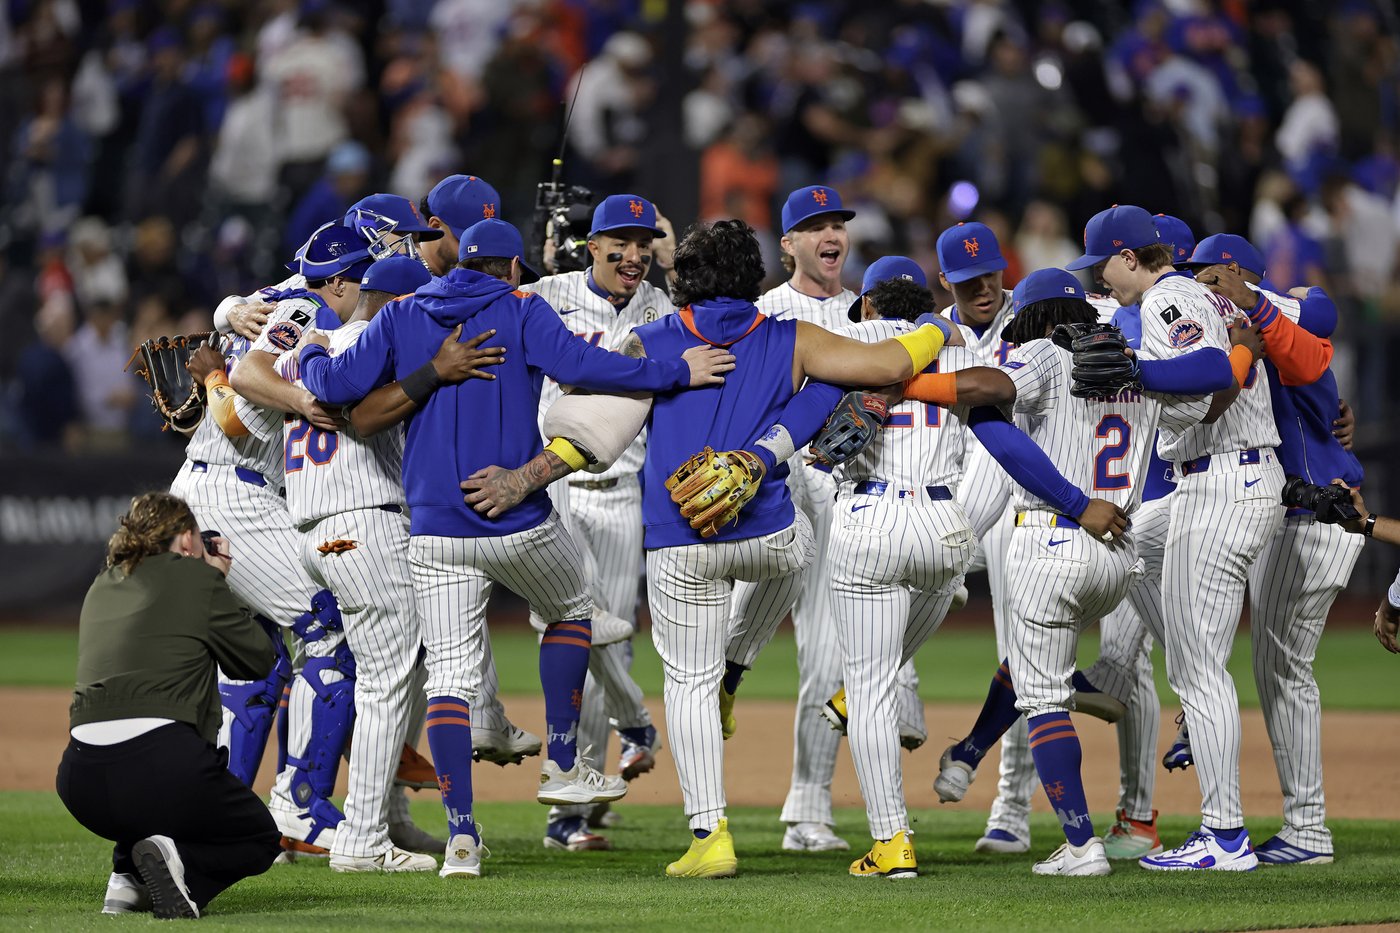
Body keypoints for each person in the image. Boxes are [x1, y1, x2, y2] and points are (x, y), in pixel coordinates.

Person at [460, 219, 959, 878]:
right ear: (754, 278)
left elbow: (587, 437)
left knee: (687, 687)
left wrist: (520, 479)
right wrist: (939, 330)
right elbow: (891, 366)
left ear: (681, 280)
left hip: (679, 539)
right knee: (801, 541)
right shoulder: (791, 335)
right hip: (769, 534)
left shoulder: (653, 340)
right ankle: (738, 661)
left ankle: (710, 837)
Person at [295, 217, 735, 878]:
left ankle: (463, 840)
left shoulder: (403, 314)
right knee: (573, 604)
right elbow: (592, 367)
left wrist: (307, 352)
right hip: (516, 518)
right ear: (508, 268)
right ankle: (561, 756)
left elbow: (332, 388)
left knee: (447, 676)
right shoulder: (522, 309)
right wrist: (678, 369)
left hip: (437, 531)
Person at [909, 268, 1160, 876]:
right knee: (1032, 657)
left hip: (1054, 539)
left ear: (1039, 314)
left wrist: (915, 384)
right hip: (1119, 552)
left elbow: (990, 385)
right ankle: (981, 742)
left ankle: (1080, 845)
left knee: (1042, 698)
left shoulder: (1046, 349)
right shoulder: (1136, 359)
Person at [1075, 205, 1282, 872]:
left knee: (1197, 669)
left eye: (1100, 265)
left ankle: (1224, 835)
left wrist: (1137, 371)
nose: (1098, 280)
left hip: (1221, 482)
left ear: (1127, 256)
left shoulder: (1169, 297)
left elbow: (1211, 372)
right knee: (1142, 556)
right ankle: (1124, 669)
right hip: (1229, 478)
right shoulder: (1193, 294)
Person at [1185, 233, 1360, 865]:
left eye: (1205, 273)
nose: (1195, 284)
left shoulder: (1283, 314)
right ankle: (1302, 825)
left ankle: (1308, 830)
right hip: (1304, 511)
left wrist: (1254, 301)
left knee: (1284, 672)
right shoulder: (1244, 320)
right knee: (1278, 669)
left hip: (1315, 515)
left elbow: (1313, 339)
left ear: (1233, 271)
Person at [521, 193, 672, 850]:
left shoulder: (661, 308)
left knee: (608, 639)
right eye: (622, 242)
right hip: (552, 488)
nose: (635, 254)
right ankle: (625, 739)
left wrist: (674, 251)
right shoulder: (546, 292)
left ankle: (581, 803)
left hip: (617, 492)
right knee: (576, 635)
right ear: (593, 245)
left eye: (645, 244)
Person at [57, 492, 281, 919]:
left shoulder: (102, 583)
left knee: (146, 792)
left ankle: (126, 878)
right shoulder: (197, 579)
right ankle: (181, 867)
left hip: (79, 781)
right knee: (259, 837)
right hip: (162, 767)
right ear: (184, 540)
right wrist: (217, 578)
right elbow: (257, 658)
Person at [748, 184, 863, 853]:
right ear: (787, 242)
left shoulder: (866, 311)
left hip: (852, 496)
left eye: (837, 224)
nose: (831, 235)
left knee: (828, 656)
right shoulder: (766, 312)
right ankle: (704, 802)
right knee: (724, 646)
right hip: (778, 495)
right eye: (814, 226)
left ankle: (808, 808)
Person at [934, 219, 1037, 856]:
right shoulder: (931, 332)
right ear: (946, 281)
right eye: (970, 280)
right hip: (946, 499)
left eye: (992, 273)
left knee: (1021, 649)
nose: (984, 287)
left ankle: (1011, 808)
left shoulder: (1033, 321)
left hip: (1021, 494)